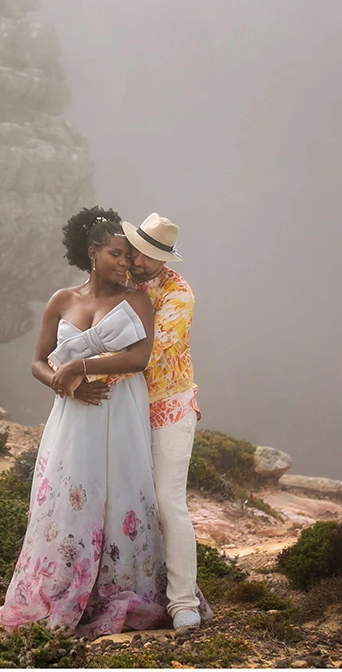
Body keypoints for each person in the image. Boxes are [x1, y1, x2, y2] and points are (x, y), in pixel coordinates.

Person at [0, 206, 169, 640]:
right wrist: (67, 383)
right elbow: (37, 362)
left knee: (119, 494)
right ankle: (60, 589)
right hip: (74, 414)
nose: (126, 264)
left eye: (130, 257)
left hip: (120, 408)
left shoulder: (136, 300)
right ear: (92, 253)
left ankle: (115, 591)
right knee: (72, 496)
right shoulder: (62, 300)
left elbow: (139, 357)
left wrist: (82, 366)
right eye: (116, 254)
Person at [121, 211, 206, 632]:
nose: (138, 259)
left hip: (169, 405)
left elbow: (151, 350)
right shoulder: (124, 282)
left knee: (169, 501)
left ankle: (183, 603)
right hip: (126, 404)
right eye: (137, 249)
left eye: (148, 255)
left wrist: (86, 367)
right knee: (126, 500)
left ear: (164, 260)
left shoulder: (179, 294)